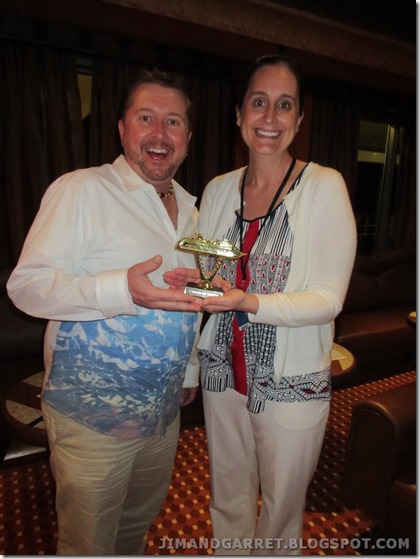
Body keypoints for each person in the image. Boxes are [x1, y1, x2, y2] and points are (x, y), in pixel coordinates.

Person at [165, 54, 357, 555]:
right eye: (258, 102)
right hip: (222, 376)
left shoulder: (323, 187)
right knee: (227, 500)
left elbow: (328, 298)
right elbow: (209, 279)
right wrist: (192, 356)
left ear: (299, 119)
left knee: (279, 512)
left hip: (291, 386)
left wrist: (248, 301)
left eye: (284, 105)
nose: (270, 117)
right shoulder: (218, 190)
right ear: (239, 114)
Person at [7, 68, 203, 555]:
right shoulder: (81, 190)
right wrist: (121, 289)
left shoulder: (194, 210)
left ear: (187, 137)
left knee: (136, 530)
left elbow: (191, 298)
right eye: (145, 118)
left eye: (173, 122)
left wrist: (190, 369)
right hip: (92, 419)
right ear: (122, 128)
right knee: (87, 545)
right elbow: (27, 286)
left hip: (162, 416)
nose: (159, 134)